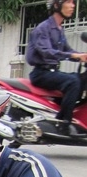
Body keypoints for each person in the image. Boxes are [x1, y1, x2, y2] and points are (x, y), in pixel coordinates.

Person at [26, 0, 87, 137]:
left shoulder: (59, 29)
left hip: (52, 72)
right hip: (41, 73)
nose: (73, 6)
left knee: (81, 80)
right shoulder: (43, 28)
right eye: (69, 2)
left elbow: (68, 51)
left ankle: (61, 111)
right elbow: (47, 52)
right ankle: (64, 122)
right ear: (56, 5)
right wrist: (75, 55)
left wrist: (82, 56)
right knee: (73, 82)